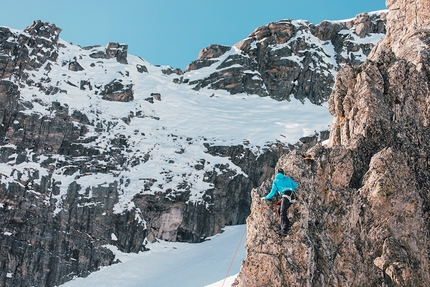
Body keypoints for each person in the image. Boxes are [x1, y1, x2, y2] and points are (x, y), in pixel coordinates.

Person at [261, 168, 298, 235]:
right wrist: (290, 187)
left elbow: (272, 192)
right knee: (280, 210)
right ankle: (287, 225)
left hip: (286, 195)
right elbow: (296, 185)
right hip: (293, 196)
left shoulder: (276, 181)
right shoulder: (287, 178)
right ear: (283, 173)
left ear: (277, 173)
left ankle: (284, 230)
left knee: (282, 212)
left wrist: (266, 197)